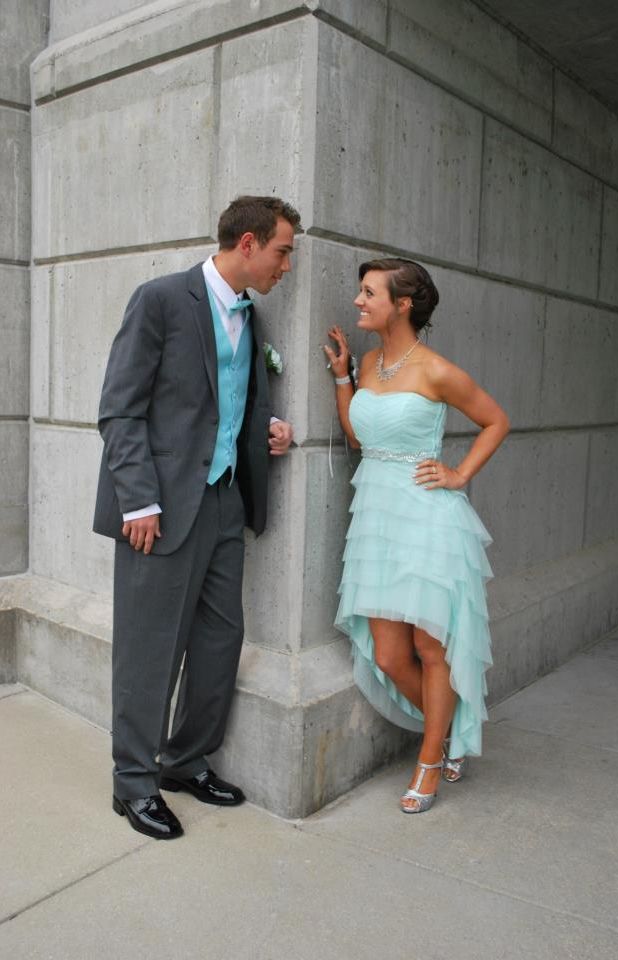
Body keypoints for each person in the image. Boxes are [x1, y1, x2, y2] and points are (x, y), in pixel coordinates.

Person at [93, 196, 299, 839]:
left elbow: (222, 402)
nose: (286, 265)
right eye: (282, 251)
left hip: (223, 500)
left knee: (218, 642)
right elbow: (119, 409)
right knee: (149, 649)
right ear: (247, 243)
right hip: (158, 507)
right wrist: (139, 500)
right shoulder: (159, 300)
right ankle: (133, 783)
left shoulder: (251, 315)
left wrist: (270, 429)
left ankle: (184, 759)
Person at [324, 258, 509, 814]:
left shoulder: (435, 369)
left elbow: (496, 420)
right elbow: (360, 438)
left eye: (368, 293)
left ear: (402, 304)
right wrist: (343, 378)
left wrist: (459, 474)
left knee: (431, 646)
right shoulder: (374, 361)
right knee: (388, 652)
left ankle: (430, 760)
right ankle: (448, 733)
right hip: (377, 518)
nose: (358, 301)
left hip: (427, 515)